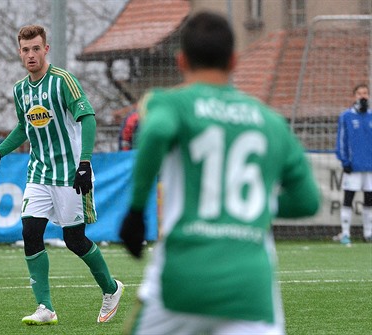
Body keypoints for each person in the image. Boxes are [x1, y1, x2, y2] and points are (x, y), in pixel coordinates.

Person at [119, 11, 320, 335]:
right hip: (251, 288)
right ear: (234, 61)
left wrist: (136, 210)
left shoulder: (170, 103)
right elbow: (308, 201)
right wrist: (255, 203)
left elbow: (154, 133)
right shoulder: (270, 122)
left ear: (181, 61)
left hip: (183, 277)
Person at [0, 25, 123, 326]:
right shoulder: (19, 90)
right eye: (25, 50)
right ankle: (45, 307)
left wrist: (85, 163)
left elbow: (88, 118)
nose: (31, 55)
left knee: (75, 241)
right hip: (38, 173)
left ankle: (111, 288)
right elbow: (23, 128)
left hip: (70, 173)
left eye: (36, 48)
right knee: (30, 232)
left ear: (46, 49)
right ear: (20, 52)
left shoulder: (63, 81)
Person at [334, 83, 372, 245]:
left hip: (370, 167)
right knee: (348, 198)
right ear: (354, 96)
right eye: (359, 94)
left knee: (369, 200)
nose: (363, 96)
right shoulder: (346, 117)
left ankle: (368, 234)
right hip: (353, 166)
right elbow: (341, 141)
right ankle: (345, 233)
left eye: (365, 93)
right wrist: (345, 161)